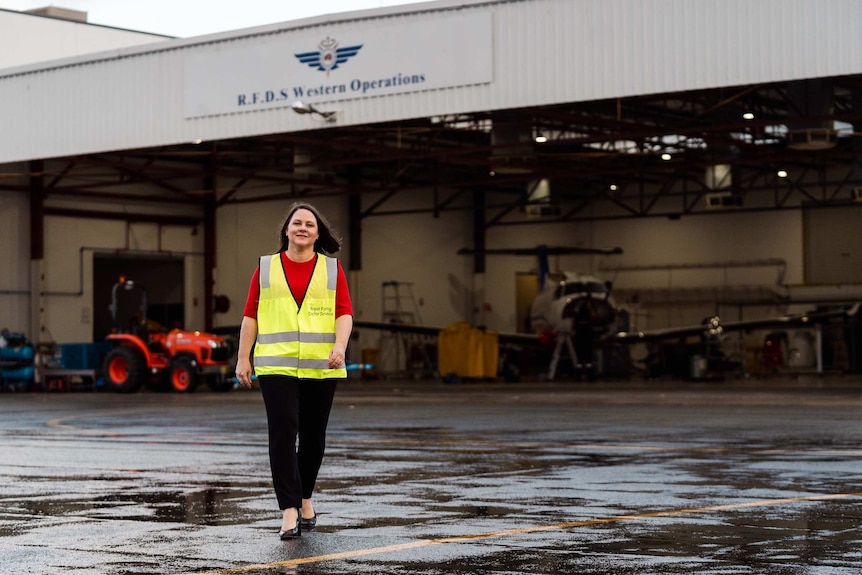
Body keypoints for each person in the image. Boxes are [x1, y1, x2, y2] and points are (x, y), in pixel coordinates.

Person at [235, 202, 353, 540]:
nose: (302, 228)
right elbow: (250, 315)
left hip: (322, 364)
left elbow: (344, 312)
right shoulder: (266, 267)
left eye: (310, 225)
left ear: (318, 234)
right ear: (286, 230)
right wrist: (244, 358)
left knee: (313, 438)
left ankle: (304, 498)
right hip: (276, 363)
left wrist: (340, 347)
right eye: (296, 223)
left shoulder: (332, 270)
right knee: (284, 431)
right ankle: (289, 510)